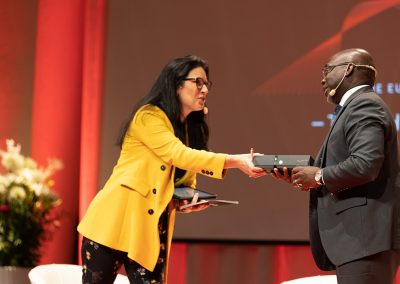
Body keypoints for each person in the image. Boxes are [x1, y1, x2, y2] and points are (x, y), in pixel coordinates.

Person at [77, 55, 265, 284]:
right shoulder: (148, 116)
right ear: (176, 84)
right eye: (198, 82)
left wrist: (187, 202)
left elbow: (179, 183)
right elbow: (179, 155)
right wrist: (237, 161)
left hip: (150, 231)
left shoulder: (189, 129)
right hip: (114, 222)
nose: (204, 89)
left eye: (207, 84)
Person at [273, 48, 400, 284]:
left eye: (327, 70)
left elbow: (365, 165)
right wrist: (303, 173)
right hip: (362, 243)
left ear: (349, 69)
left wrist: (319, 175)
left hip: (366, 242)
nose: (322, 79)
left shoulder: (364, 105)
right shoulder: (357, 105)